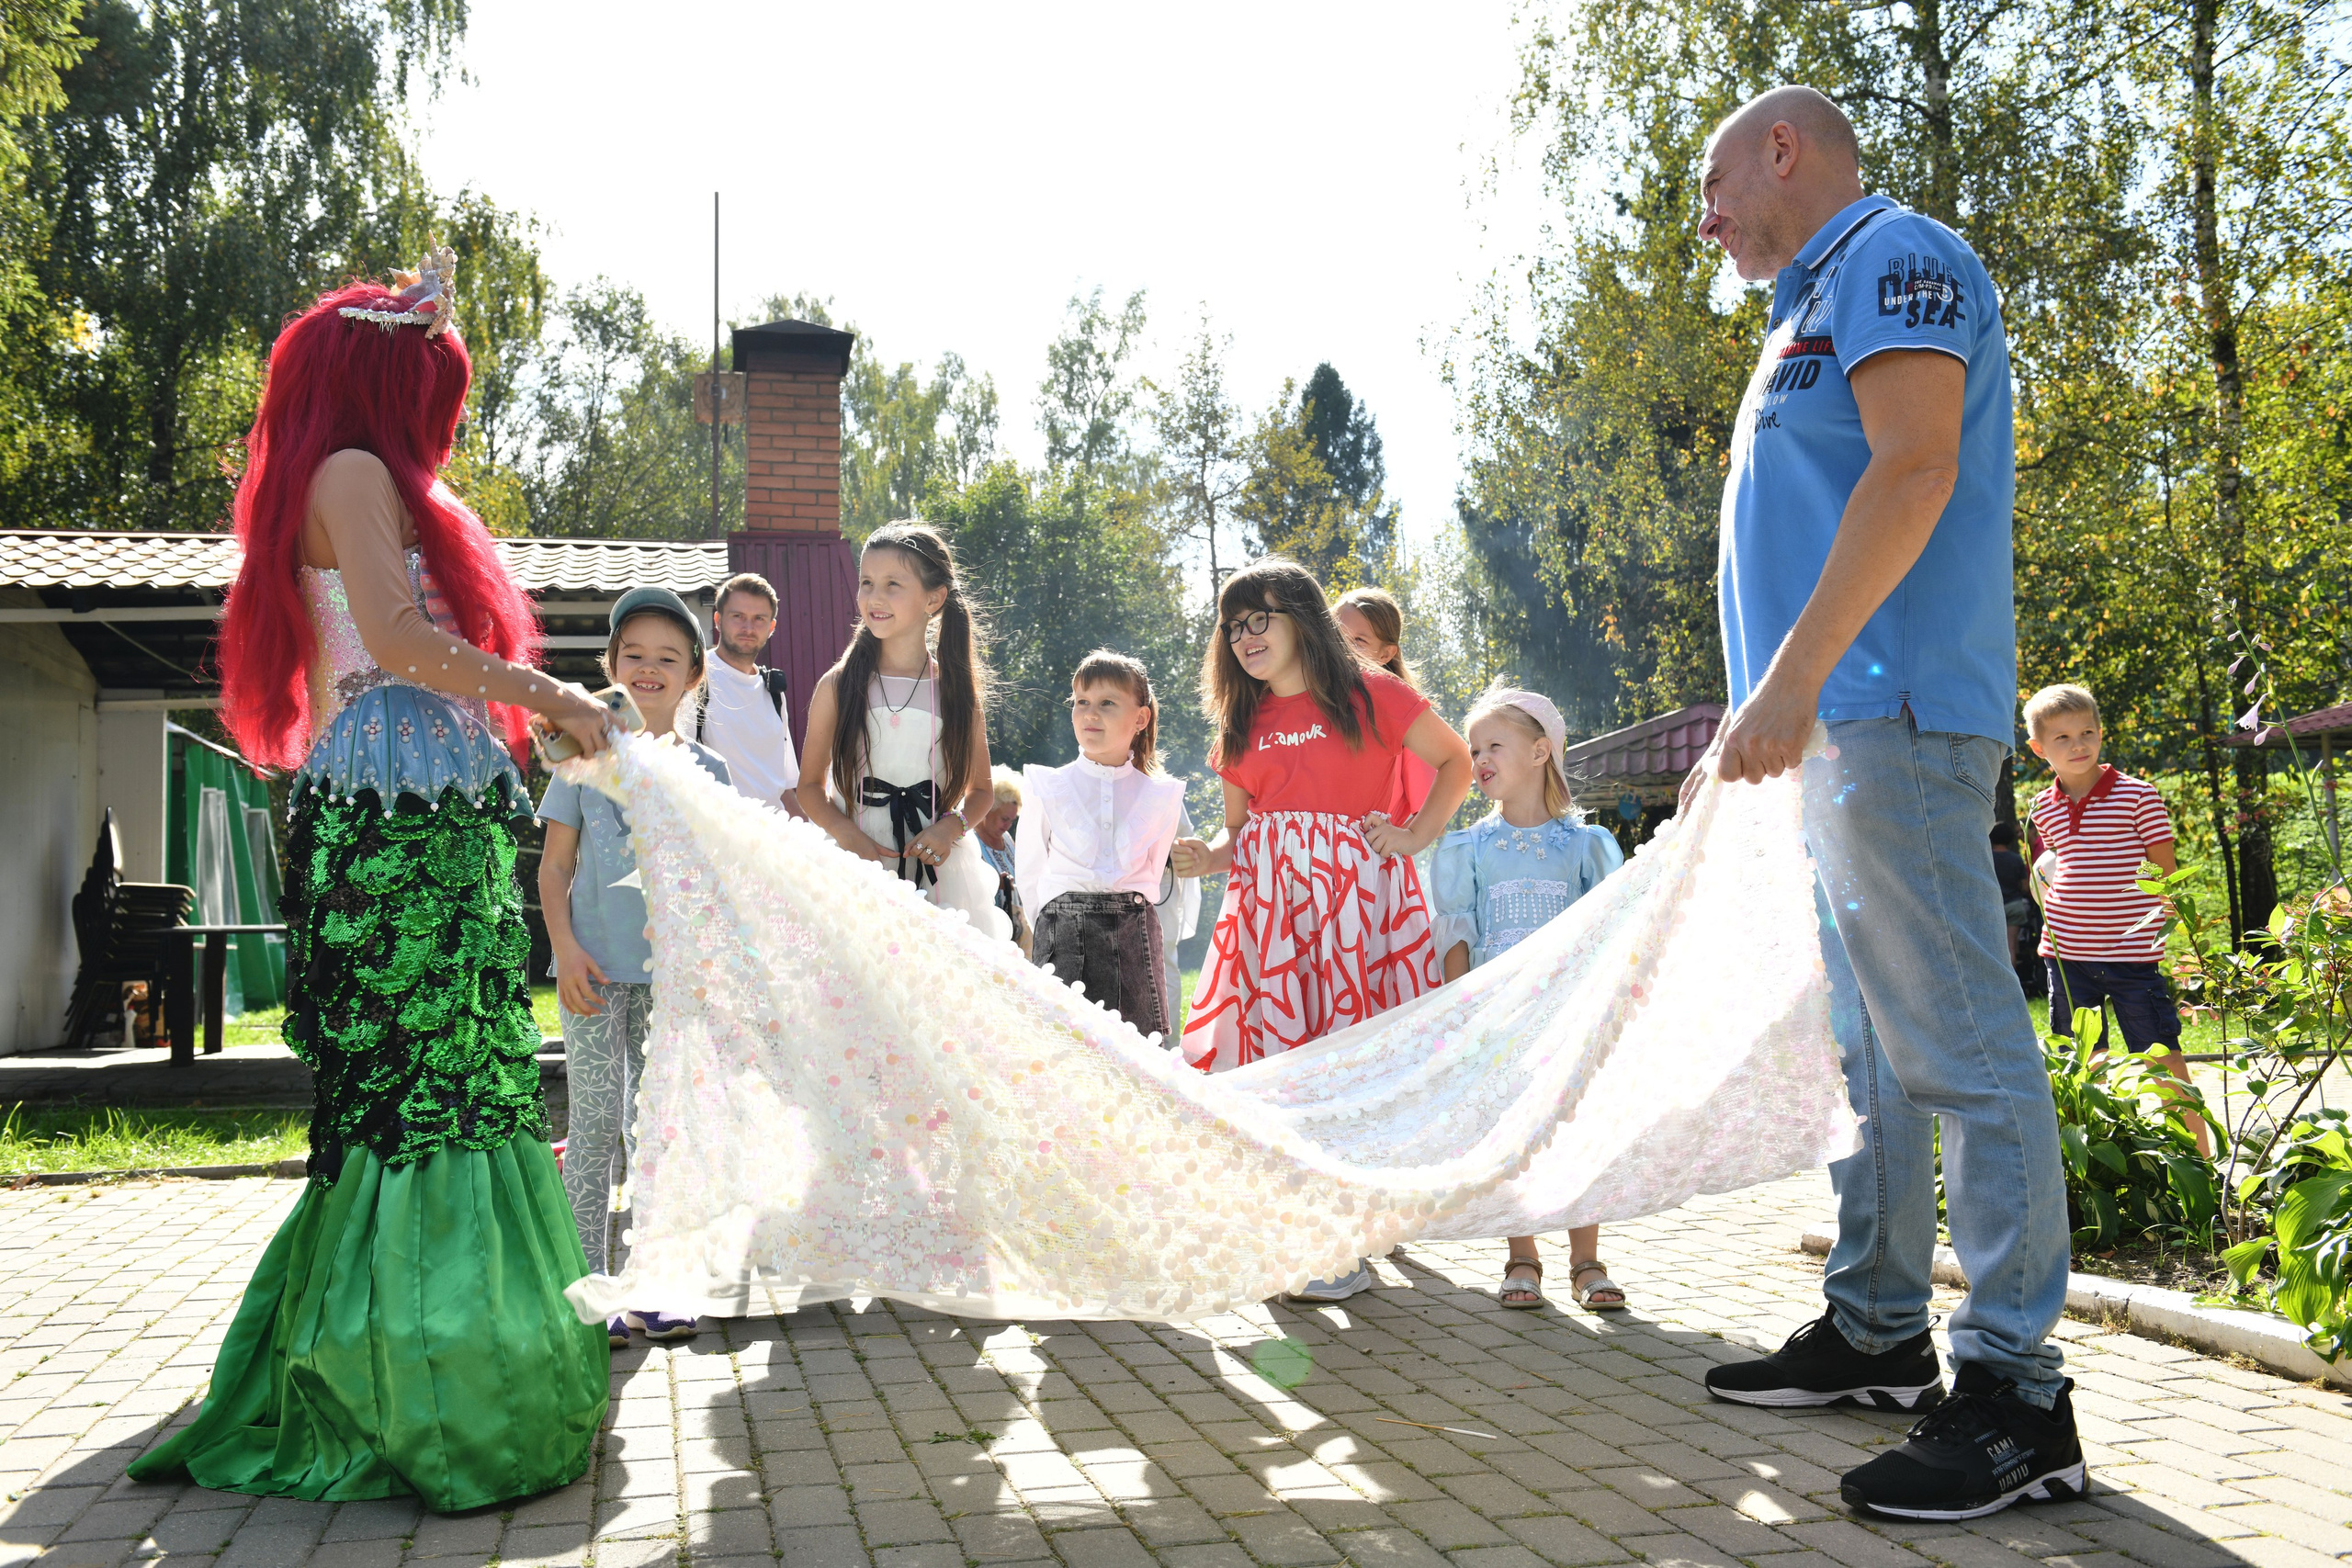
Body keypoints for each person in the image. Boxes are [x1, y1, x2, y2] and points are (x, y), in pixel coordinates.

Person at [128, 253, 611, 1510]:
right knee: (424, 1076)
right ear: (387, 380)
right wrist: (550, 693)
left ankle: (434, 1341)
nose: (444, 418)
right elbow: (397, 641)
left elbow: (403, 646)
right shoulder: (350, 475)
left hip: (417, 808)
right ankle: (424, 1363)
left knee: (446, 1067)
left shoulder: (353, 478)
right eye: (435, 386)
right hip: (395, 821)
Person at [1687, 87, 2082, 1520]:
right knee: (1872, 1052)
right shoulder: (1798, 309)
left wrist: (1792, 684)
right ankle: (1876, 1323)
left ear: (1783, 148)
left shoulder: (1894, 257)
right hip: (1828, 729)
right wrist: (1760, 708)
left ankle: (2021, 1394)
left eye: (1716, 175)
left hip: (1896, 709)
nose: (1708, 208)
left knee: (1964, 1043)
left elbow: (1916, 469)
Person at [1173, 558, 1472, 1302]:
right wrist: (1203, 856)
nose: (1244, 637)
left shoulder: (1374, 694)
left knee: (1352, 1064)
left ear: (1302, 616)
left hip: (1357, 912)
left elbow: (1455, 761)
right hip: (1273, 923)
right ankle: (1302, 1235)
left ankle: (1344, 1239)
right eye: (1232, 625)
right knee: (1283, 1069)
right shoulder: (1241, 723)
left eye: (1259, 618)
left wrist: (1412, 835)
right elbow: (1240, 833)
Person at [538, 587, 734, 1348]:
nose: (649, 668)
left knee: (662, 1130)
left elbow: (722, 880)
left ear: (693, 678)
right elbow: (554, 869)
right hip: (594, 970)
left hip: (676, 983)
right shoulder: (579, 756)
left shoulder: (710, 771)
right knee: (593, 1127)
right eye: (634, 656)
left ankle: (660, 1286)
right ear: (611, 665)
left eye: (668, 658)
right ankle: (590, 1291)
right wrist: (564, 949)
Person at [1432, 685, 1626, 1313]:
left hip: (1570, 1010)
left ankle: (1587, 1260)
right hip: (1503, 1013)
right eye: (1473, 748)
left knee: (1576, 1125)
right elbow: (1459, 926)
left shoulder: (1584, 845)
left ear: (1541, 750)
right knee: (1513, 1130)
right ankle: (1522, 1254)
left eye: (1495, 745)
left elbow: (1609, 928)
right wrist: (1464, 1006)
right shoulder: (1470, 847)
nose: (1480, 758)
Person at [797, 523, 1011, 940]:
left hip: (939, 874)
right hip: (852, 866)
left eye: (893, 584)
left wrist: (951, 828)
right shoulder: (837, 686)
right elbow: (808, 786)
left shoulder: (956, 691)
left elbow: (981, 792)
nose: (874, 596)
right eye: (866, 582)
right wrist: (844, 833)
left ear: (933, 598)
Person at [2023, 683, 2204, 1153]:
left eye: (2086, 732)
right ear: (2039, 749)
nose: (2077, 744)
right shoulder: (2042, 808)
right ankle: (2106, 1157)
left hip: (2132, 956)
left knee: (2162, 1059)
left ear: (2101, 734)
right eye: (2061, 738)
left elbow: (2163, 871)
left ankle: (2198, 1163)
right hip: (2065, 955)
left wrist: (2164, 925)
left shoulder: (2138, 796)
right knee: (2085, 1063)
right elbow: (2056, 869)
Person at [1017, 649, 1191, 1038]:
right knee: (1065, 1048)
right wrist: (1052, 926)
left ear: (1140, 718)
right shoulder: (1048, 785)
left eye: (1107, 703)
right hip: (1062, 938)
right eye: (1082, 702)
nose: (1090, 714)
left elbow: (1150, 878)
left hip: (1134, 940)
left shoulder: (1159, 796)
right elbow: (1029, 874)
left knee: (1136, 1053)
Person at [686, 570, 803, 818]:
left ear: (771, 627)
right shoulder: (693, 680)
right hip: (719, 841)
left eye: (759, 618)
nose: (748, 627)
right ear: (718, 619)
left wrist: (812, 838)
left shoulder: (773, 691)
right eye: (738, 616)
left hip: (772, 842)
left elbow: (784, 789)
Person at [1333, 586, 1435, 826]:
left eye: (1359, 641)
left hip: (1373, 859)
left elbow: (1432, 813)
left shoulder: (1403, 719)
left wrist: (1398, 838)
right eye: (1336, 636)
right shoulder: (1309, 707)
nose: (1343, 649)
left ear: (1385, 654)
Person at [974, 766, 1028, 950]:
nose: (1008, 825)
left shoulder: (1006, 838)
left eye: (1012, 820)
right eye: (1004, 819)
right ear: (988, 810)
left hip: (1018, 935)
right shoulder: (970, 841)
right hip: (987, 937)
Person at [1989, 821, 2033, 966]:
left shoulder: (1987, 859)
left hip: (1992, 907)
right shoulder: (2016, 859)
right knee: (2011, 947)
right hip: (2014, 906)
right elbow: (2026, 887)